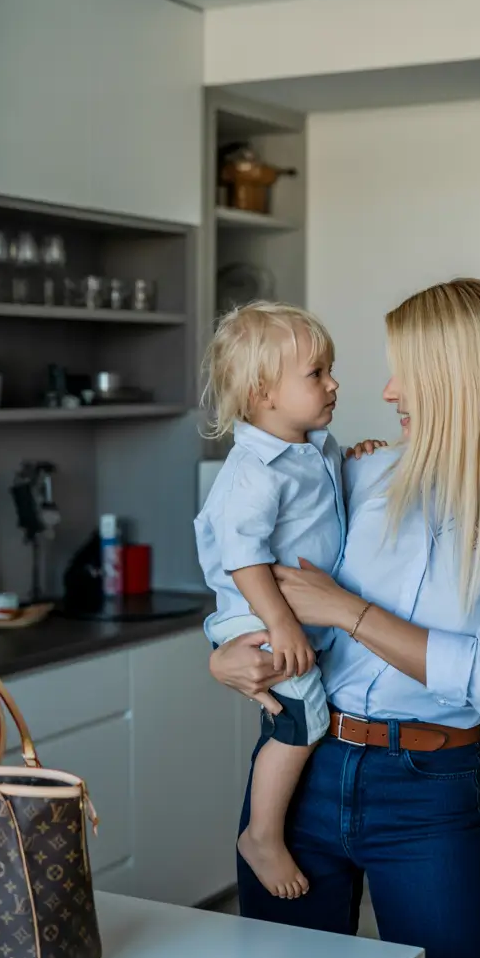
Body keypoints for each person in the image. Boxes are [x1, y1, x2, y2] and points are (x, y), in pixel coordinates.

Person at [210, 278, 480, 958]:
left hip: (427, 793)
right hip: (307, 768)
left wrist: (348, 610)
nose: (388, 390)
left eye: (408, 372)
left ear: (463, 381)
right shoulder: (357, 471)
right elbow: (247, 553)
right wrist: (224, 653)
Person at [195, 301, 345, 901]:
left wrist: (354, 459)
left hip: (287, 612)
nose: (334, 383)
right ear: (263, 392)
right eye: (316, 374)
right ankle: (262, 835)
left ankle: (266, 827)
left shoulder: (316, 448)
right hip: (255, 612)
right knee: (305, 718)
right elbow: (243, 558)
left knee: (303, 708)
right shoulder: (255, 469)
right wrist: (281, 625)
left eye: (331, 369)